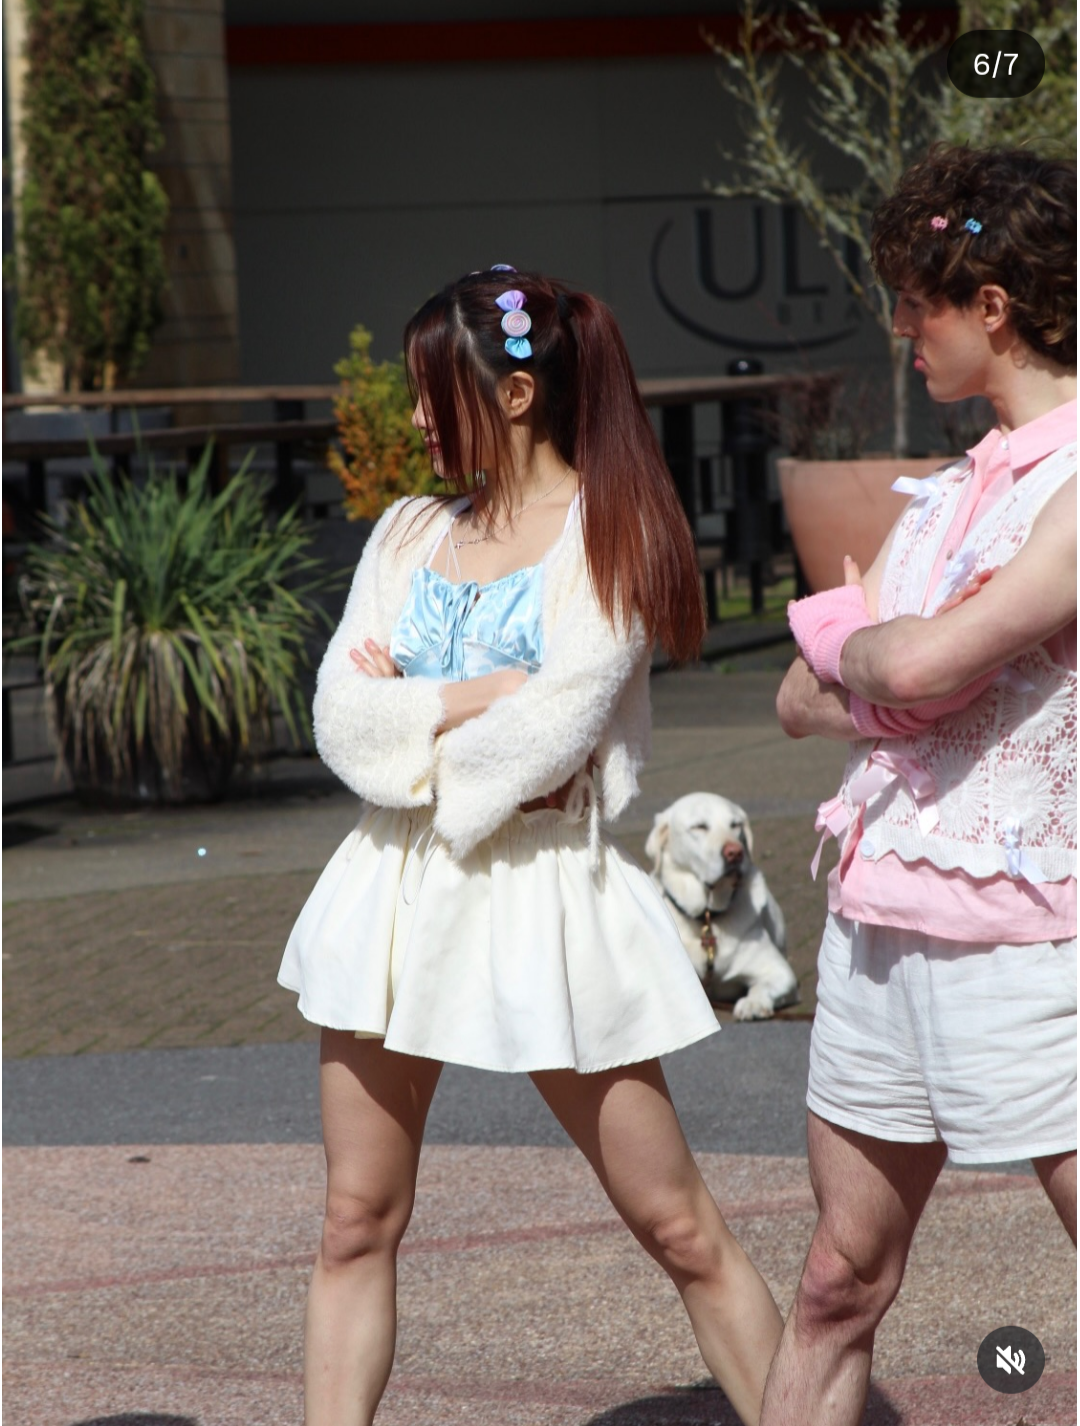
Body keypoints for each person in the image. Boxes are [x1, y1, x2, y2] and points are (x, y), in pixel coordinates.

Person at [279, 267, 784, 1426]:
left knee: (678, 1225)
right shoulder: (409, 533)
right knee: (354, 1219)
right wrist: (481, 693)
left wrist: (416, 719)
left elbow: (546, 749)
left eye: (433, 391)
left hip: (548, 890)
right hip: (390, 890)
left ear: (512, 396)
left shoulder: (614, 535)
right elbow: (340, 723)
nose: (416, 417)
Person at [764, 145, 1076, 1425]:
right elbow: (796, 698)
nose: (900, 329)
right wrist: (874, 653)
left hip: (1039, 936)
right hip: (878, 927)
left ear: (990, 306)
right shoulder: (945, 489)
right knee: (836, 1280)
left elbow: (925, 665)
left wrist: (853, 637)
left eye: (914, 301)